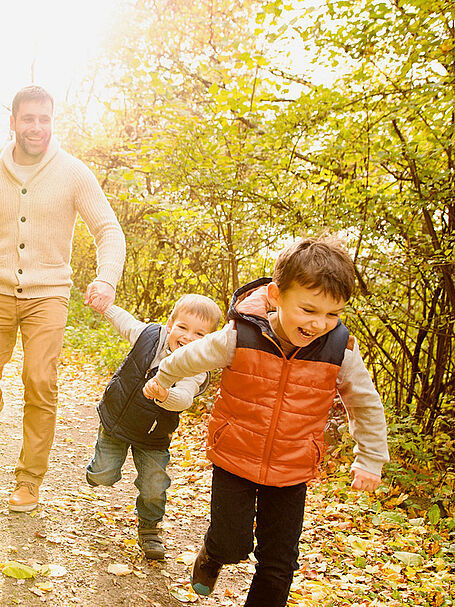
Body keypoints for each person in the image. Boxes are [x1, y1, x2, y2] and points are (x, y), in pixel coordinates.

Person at [145, 236, 389, 607]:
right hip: (234, 457)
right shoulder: (239, 336)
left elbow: (366, 404)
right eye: (308, 310)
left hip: (292, 468)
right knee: (231, 543)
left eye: (333, 314)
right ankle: (212, 553)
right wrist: (163, 378)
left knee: (278, 563)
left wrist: (370, 458)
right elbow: (189, 358)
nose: (320, 324)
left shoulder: (340, 351)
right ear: (276, 296)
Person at [0, 85, 125, 512]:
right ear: (12, 120)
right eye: (28, 118)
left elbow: (108, 229)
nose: (36, 127)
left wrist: (106, 279)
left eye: (44, 119)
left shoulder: (73, 173)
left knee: (39, 379)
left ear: (53, 122)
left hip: (48, 294)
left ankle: (29, 480)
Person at [86, 294, 222, 560]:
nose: (188, 337)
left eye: (199, 333)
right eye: (183, 327)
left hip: (153, 434)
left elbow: (183, 398)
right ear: (170, 323)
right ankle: (98, 471)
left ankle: (149, 528)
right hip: (118, 420)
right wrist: (106, 307)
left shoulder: (197, 366)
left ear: (208, 339)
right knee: (104, 475)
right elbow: (125, 322)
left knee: (154, 485)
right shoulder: (149, 335)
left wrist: (163, 394)